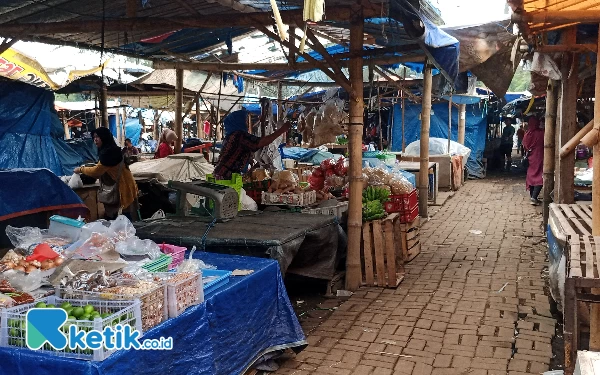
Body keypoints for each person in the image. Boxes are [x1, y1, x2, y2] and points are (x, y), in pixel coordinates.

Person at [74, 127, 139, 220]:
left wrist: (80, 169)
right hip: (125, 185)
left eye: (98, 137)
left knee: (124, 216)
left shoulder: (109, 153)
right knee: (122, 214)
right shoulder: (111, 150)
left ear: (104, 137)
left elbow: (96, 171)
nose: (95, 139)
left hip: (123, 187)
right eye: (94, 137)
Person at [214, 109, 291, 180]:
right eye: (245, 121)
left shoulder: (231, 136)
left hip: (221, 173)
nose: (247, 123)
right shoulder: (239, 135)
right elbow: (261, 142)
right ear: (239, 121)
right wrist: (281, 130)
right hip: (225, 176)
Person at [522, 116, 544, 205]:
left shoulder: (527, 134)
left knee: (531, 175)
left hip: (530, 157)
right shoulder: (541, 133)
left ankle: (532, 197)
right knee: (540, 175)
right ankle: (534, 197)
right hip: (539, 156)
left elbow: (525, 145)